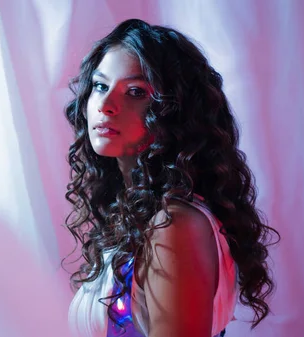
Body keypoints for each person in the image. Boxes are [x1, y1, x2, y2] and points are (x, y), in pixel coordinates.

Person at [63, 19, 279, 337]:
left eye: (135, 92)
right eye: (100, 86)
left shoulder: (176, 226)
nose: (106, 106)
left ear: (174, 111)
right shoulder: (146, 218)